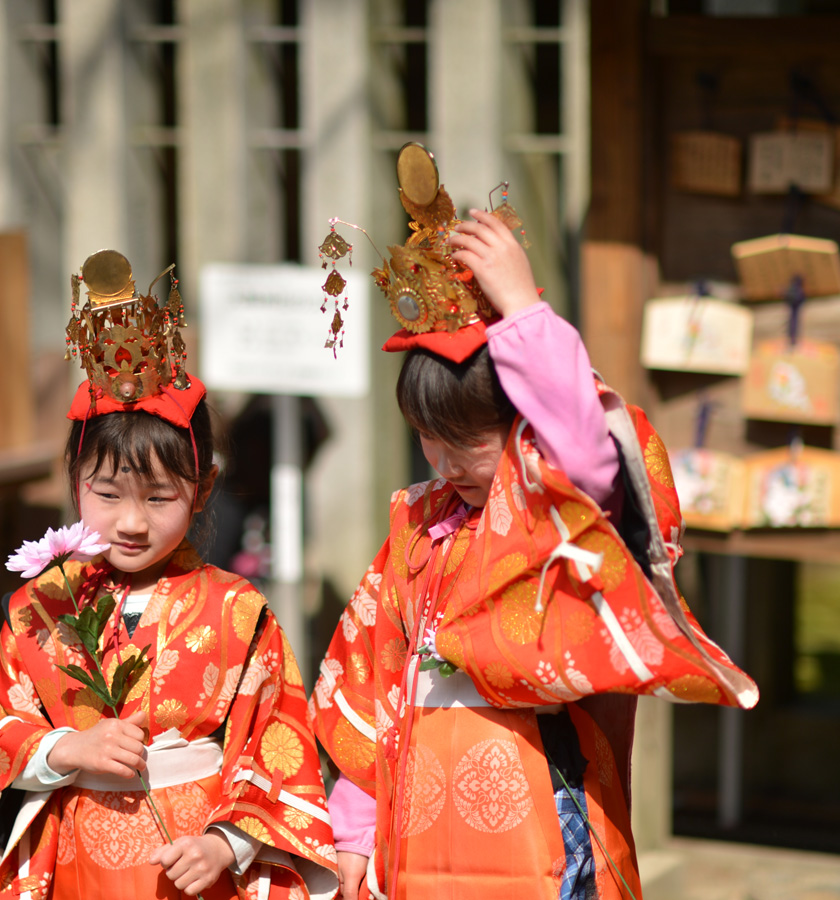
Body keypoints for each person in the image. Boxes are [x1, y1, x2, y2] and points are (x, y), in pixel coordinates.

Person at [309, 148, 758, 900]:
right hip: (415, 820)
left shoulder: (548, 510)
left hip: (541, 804)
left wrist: (525, 314)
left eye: (471, 441)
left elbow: (586, 453)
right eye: (429, 437)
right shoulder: (415, 525)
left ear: (525, 428)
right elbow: (374, 680)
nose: (446, 463)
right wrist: (353, 826)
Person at [0, 251, 338, 900]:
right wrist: (67, 751)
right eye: (106, 494)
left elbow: (278, 746)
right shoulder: (41, 606)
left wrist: (228, 843)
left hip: (196, 860)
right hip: (76, 863)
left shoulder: (237, 612)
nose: (131, 522)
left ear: (203, 487)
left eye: (158, 499)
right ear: (73, 482)